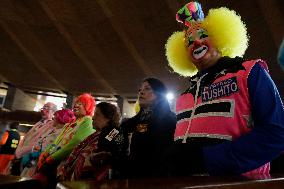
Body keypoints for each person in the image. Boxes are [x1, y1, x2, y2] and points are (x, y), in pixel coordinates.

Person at [164, 1, 284, 176]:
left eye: (203, 34)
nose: (196, 41)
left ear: (221, 36)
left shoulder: (249, 72)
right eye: (189, 40)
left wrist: (206, 159)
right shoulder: (184, 97)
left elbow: (277, 133)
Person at [120, 77, 176, 178]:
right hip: (133, 176)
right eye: (140, 90)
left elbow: (165, 153)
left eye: (147, 88)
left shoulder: (169, 119)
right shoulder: (131, 122)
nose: (141, 92)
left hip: (157, 179)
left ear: (159, 94)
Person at [35, 93, 95, 186]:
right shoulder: (71, 123)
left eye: (80, 104)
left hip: (65, 165)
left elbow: (77, 142)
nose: (76, 105)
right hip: (55, 162)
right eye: (76, 103)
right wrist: (46, 153)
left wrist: (53, 157)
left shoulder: (87, 120)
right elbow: (57, 142)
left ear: (88, 107)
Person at [57, 102, 124, 181]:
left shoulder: (114, 132)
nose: (93, 118)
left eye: (97, 114)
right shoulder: (95, 135)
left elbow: (103, 153)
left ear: (108, 118)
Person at [20, 109, 76, 177]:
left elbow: (53, 149)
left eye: (55, 116)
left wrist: (37, 153)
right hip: (33, 163)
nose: (53, 118)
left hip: (41, 164)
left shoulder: (62, 133)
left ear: (60, 118)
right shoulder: (52, 130)